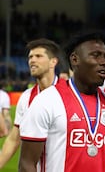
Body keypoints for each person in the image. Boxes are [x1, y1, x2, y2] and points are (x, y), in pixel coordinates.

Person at [18, 31, 105, 172]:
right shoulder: (47, 101)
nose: (103, 62)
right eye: (96, 55)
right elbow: (26, 164)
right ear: (74, 59)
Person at [0, 38, 62, 169]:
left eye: (38, 56)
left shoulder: (70, 94)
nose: (32, 60)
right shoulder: (27, 97)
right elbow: (14, 139)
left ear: (53, 62)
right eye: (30, 57)